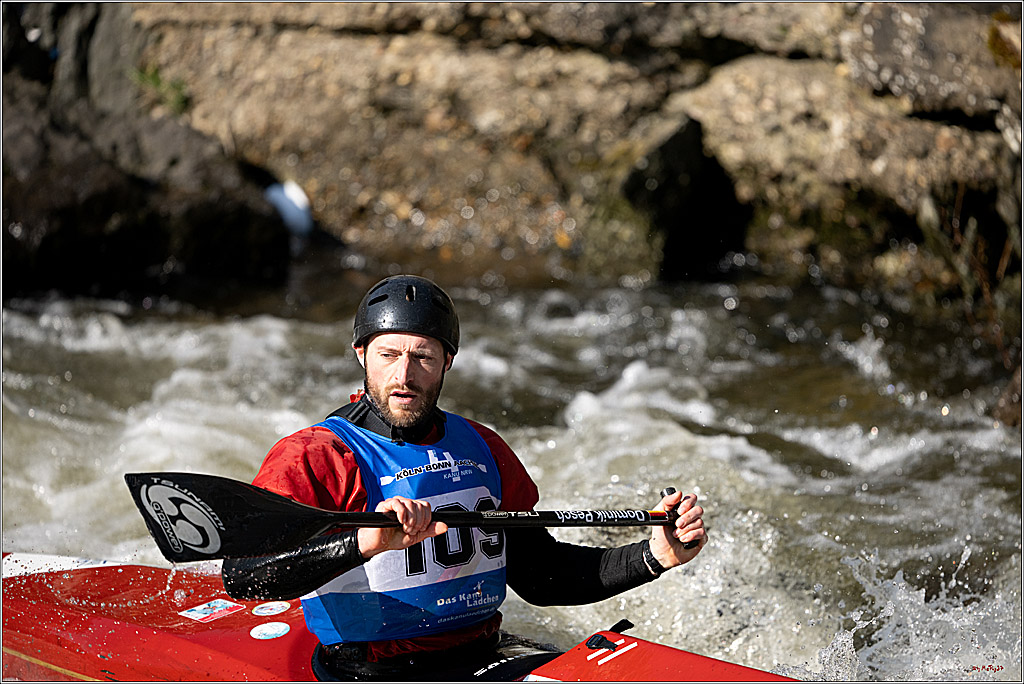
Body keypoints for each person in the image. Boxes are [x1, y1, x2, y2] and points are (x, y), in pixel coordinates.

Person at [222, 274, 707, 679]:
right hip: (369, 673)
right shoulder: (315, 457)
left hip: (484, 656)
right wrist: (363, 543)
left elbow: (540, 576)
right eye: (389, 355)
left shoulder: (484, 448)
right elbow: (244, 578)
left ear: (447, 363)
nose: (404, 375)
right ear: (361, 355)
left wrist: (654, 556)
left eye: (423, 357)